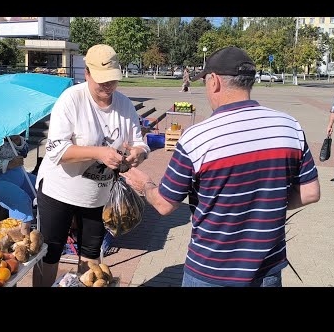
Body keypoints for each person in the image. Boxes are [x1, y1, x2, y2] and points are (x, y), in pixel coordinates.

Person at [122, 46, 321, 287]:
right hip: (268, 268)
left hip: (212, 271)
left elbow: (164, 205)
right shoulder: (289, 126)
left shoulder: (198, 138)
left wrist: (145, 185)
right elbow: (310, 192)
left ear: (214, 81)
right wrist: (263, 206)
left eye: (204, 81)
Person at [32, 44, 150, 287]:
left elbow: (140, 143)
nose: (108, 87)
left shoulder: (125, 105)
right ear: (86, 73)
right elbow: (56, 150)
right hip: (59, 192)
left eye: (113, 81)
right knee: (50, 253)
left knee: (91, 257)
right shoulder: (71, 99)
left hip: (98, 196)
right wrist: (99, 152)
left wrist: (138, 154)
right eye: (102, 80)